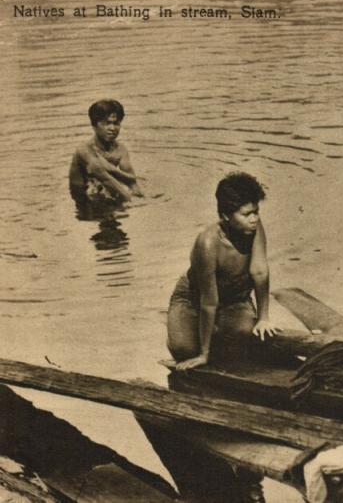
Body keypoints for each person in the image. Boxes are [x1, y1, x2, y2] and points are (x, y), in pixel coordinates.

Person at [167, 172, 281, 371]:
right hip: (195, 299)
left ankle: (215, 332)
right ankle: (190, 329)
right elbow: (209, 303)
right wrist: (204, 354)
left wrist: (263, 318)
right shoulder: (208, 243)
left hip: (234, 298)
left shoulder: (254, 227)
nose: (254, 219)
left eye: (256, 211)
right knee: (183, 348)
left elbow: (260, 272)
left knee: (246, 334)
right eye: (246, 215)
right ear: (226, 216)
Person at [69, 99, 143, 204]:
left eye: (116, 123)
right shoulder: (84, 150)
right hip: (81, 200)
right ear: (94, 126)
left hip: (102, 195)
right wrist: (135, 201)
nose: (112, 128)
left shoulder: (121, 150)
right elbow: (105, 178)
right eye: (107, 123)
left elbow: (131, 182)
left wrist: (140, 195)